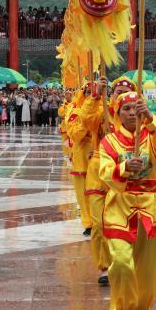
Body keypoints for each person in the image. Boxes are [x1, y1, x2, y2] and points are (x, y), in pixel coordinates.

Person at [99, 91, 156, 310]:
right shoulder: (109, 142)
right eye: (126, 109)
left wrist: (153, 122)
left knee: (147, 266)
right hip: (119, 207)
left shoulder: (153, 136)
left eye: (136, 108)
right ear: (117, 113)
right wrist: (123, 168)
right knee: (122, 263)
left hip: (151, 208)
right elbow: (104, 172)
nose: (132, 113)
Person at [83, 77, 134, 287]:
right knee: (98, 224)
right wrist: (95, 96)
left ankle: (122, 261)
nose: (119, 95)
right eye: (116, 91)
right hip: (98, 171)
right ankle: (104, 266)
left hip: (124, 173)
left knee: (123, 221)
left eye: (124, 92)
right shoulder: (101, 113)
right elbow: (85, 122)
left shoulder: (134, 117)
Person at [66, 83, 95, 236]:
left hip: (100, 158)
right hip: (81, 160)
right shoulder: (75, 112)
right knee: (83, 195)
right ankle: (88, 223)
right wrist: (86, 123)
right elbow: (74, 134)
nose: (91, 95)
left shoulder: (105, 109)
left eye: (94, 92)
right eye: (88, 92)